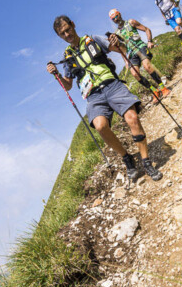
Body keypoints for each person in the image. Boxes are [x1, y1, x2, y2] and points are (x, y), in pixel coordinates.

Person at [47, 15, 163, 182]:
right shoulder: (67, 58)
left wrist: (117, 41)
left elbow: (121, 49)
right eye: (62, 34)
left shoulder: (93, 40)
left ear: (73, 25)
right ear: (59, 36)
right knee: (100, 126)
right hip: (93, 95)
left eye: (67, 29)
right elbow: (68, 86)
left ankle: (146, 162)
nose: (67, 35)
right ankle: (127, 158)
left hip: (112, 84)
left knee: (132, 118)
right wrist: (57, 75)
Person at [108, 8, 171, 104]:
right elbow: (122, 49)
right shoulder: (116, 34)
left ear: (119, 14)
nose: (116, 19)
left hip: (140, 47)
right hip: (131, 53)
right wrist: (125, 61)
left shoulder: (131, 22)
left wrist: (149, 41)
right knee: (135, 74)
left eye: (116, 16)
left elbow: (146, 29)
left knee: (147, 66)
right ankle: (154, 91)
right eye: (113, 19)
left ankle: (163, 88)